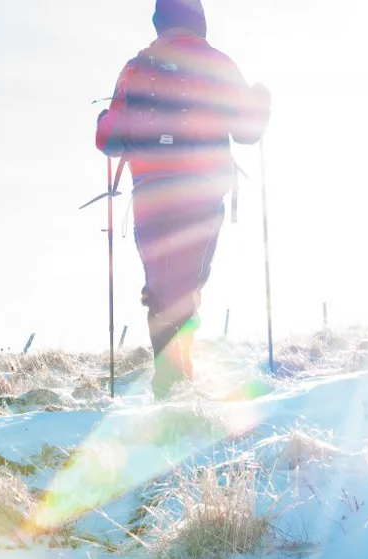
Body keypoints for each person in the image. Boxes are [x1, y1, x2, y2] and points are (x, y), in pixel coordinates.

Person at [95, 0, 271, 398]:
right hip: (202, 192)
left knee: (162, 288)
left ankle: (171, 384)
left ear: (159, 22)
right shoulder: (217, 63)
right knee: (186, 286)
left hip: (152, 196)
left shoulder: (138, 67)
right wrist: (262, 101)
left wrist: (102, 120)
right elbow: (247, 130)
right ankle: (175, 386)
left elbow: (110, 140)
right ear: (199, 20)